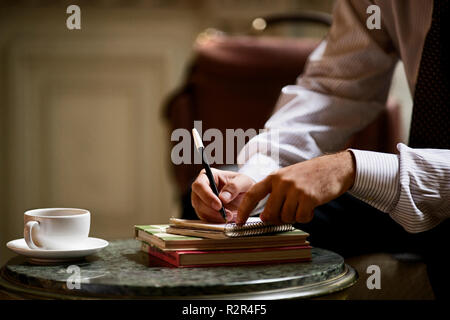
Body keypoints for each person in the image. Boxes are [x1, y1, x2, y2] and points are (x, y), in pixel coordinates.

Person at [190, 0, 449, 298]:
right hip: (409, 198)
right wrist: (258, 176)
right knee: (200, 210)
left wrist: (352, 168)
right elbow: (332, 87)